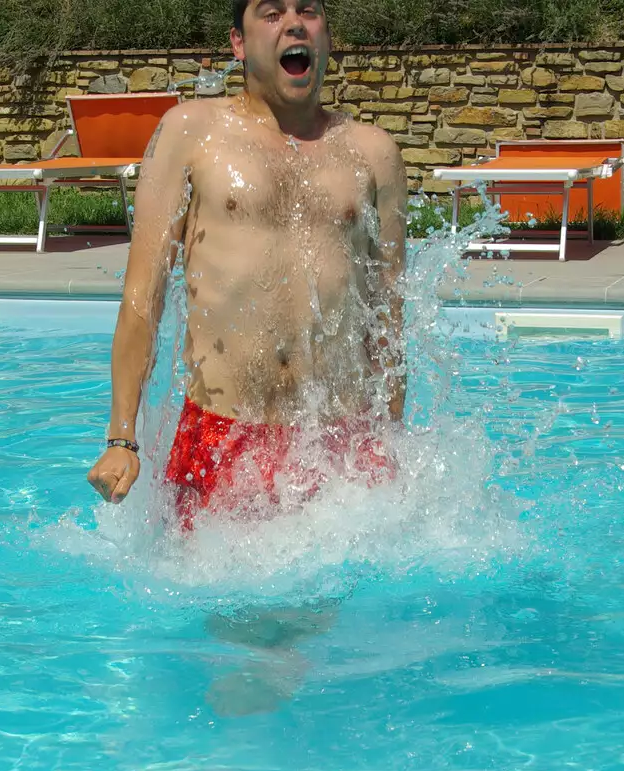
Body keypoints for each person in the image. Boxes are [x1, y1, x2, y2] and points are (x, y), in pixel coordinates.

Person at [85, 0, 407, 527]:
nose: (294, 23)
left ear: (327, 38)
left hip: (337, 440)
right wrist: (122, 438)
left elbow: (388, 317)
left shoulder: (373, 153)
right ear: (238, 42)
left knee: (333, 605)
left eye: (308, 11)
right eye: (272, 13)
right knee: (216, 606)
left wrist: (391, 437)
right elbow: (143, 298)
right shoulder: (191, 133)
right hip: (220, 434)